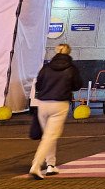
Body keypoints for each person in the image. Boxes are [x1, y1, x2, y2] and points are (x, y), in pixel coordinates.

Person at [26, 42, 82, 179]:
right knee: (50, 137)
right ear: (69, 52)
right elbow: (77, 85)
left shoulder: (46, 67)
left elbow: (38, 85)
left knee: (48, 136)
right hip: (60, 104)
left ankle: (51, 165)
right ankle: (36, 165)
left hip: (43, 104)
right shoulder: (72, 68)